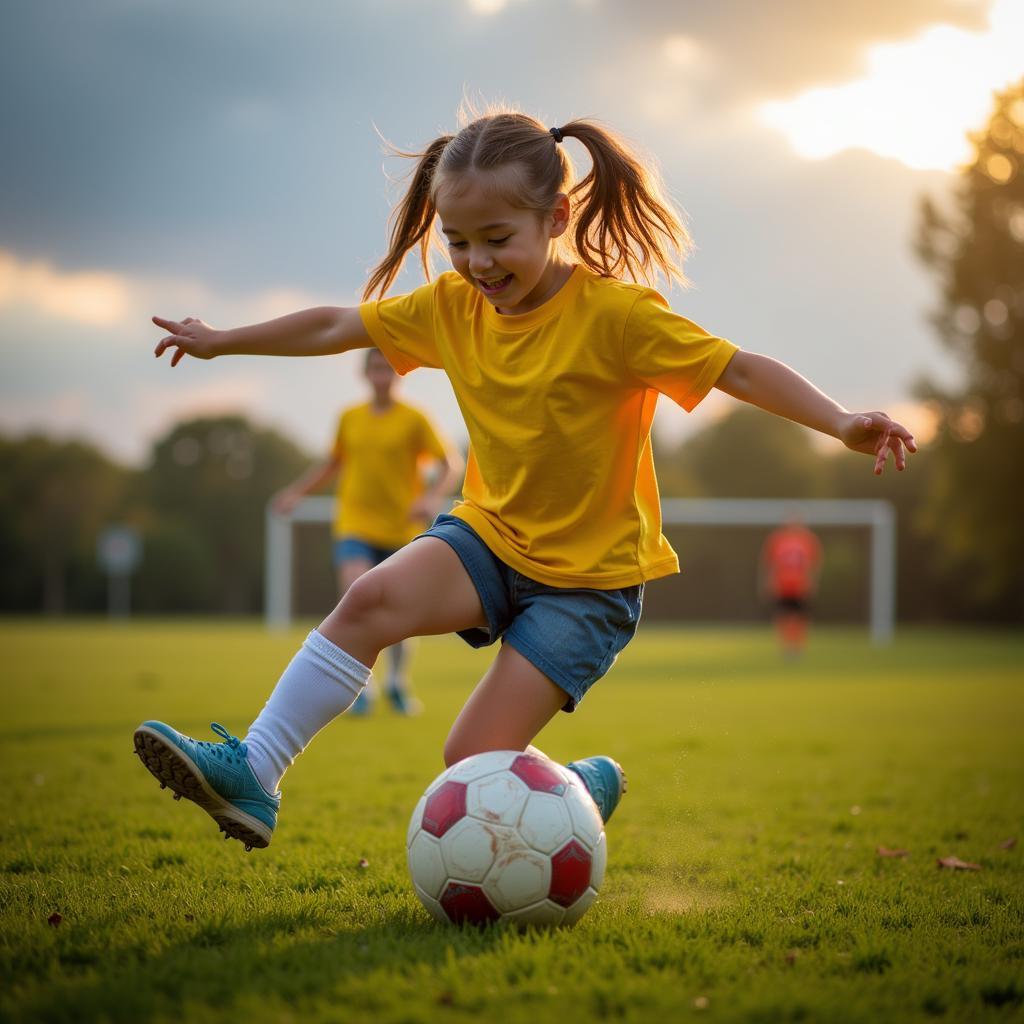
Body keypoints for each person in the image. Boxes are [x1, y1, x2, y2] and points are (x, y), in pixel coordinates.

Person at [133, 110, 916, 852]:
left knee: (465, 764)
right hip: (489, 536)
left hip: (589, 583)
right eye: (459, 241)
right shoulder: (450, 307)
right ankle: (257, 772)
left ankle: (570, 790)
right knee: (367, 598)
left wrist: (842, 422)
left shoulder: (618, 318)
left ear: (557, 219)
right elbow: (340, 324)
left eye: (497, 239)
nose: (477, 263)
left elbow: (738, 367)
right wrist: (223, 341)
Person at [274, 347, 462, 715]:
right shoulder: (350, 418)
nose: (382, 376)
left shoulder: (415, 419)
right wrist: (296, 492)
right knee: (356, 593)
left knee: (400, 612)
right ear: (365, 373)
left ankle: (397, 682)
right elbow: (332, 463)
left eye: (388, 370)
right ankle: (362, 686)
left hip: (401, 528)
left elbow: (450, 464)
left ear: (400, 375)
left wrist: (430, 497)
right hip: (355, 523)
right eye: (375, 368)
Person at [760, 519, 823, 658]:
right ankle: (785, 648)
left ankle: (797, 648)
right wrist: (768, 582)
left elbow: (813, 565)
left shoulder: (809, 540)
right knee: (782, 616)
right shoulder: (776, 540)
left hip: (800, 586)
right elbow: (770, 564)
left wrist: (812, 582)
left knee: (800, 617)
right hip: (782, 585)